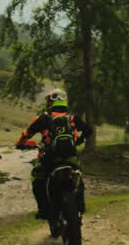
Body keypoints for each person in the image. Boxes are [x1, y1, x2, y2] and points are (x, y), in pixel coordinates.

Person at [15, 89, 92, 219]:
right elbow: (88, 130)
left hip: (50, 157)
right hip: (71, 156)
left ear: (50, 101)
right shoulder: (73, 116)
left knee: (36, 177)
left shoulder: (43, 117)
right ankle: (81, 206)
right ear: (65, 100)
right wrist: (78, 141)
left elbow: (27, 134)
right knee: (77, 174)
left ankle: (43, 210)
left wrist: (20, 144)